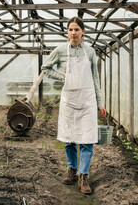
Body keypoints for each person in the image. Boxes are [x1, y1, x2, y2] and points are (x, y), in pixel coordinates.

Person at [41, 17, 106, 194]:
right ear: (67, 32)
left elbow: (95, 78)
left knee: (87, 139)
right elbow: (45, 67)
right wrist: (62, 77)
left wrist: (100, 102)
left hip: (87, 100)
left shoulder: (90, 52)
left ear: (83, 32)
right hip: (69, 99)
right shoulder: (61, 50)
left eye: (77, 29)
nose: (73, 33)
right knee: (69, 138)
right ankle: (72, 169)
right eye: (70, 29)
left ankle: (83, 175)